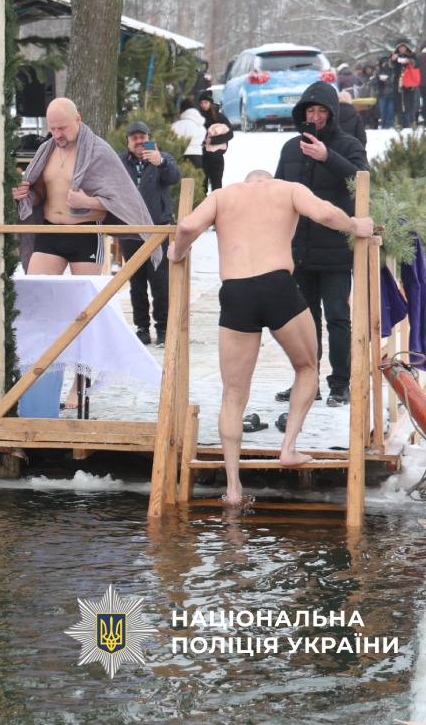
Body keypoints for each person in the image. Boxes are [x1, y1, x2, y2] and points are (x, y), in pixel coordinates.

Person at [167, 169, 374, 507]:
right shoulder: (287, 189)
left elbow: (188, 226)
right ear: (265, 180)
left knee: (233, 393)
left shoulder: (223, 195)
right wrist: (355, 225)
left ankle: (233, 488)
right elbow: (324, 213)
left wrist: (178, 251)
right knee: (307, 367)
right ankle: (289, 448)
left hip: (235, 292)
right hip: (278, 287)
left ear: (246, 181)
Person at [273, 81, 369, 407]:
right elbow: (277, 194)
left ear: (331, 113)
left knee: (338, 317)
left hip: (336, 249)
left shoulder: (349, 144)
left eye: (321, 111)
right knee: (304, 318)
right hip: (298, 249)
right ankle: (307, 382)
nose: (315, 117)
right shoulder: (290, 148)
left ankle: (340, 382)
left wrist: (328, 157)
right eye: (309, 111)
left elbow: (361, 180)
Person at [14, 98, 158, 276]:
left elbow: (120, 198)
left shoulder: (99, 151)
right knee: (37, 292)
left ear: (78, 119)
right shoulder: (46, 150)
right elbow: (40, 194)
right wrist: (25, 194)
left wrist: (87, 202)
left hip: (85, 233)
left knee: (89, 300)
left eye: (62, 128)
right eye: (52, 128)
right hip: (50, 231)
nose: (57, 134)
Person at [119, 122, 181, 346]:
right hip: (129, 230)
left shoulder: (162, 158)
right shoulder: (119, 162)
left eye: (143, 136)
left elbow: (175, 177)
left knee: (160, 281)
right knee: (136, 281)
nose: (139, 141)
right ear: (128, 141)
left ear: (149, 138)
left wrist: (161, 163)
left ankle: (163, 328)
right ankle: (142, 328)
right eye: (134, 137)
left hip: (158, 229)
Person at [197, 90, 233, 192]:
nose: (204, 105)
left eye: (206, 102)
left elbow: (230, 134)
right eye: (201, 103)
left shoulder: (219, 117)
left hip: (216, 156)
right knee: (201, 187)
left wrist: (213, 141)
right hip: (202, 156)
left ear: (211, 103)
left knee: (216, 187)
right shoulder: (198, 118)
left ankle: (217, 207)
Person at [391, 40, 420, 129]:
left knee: (410, 102)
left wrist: (409, 61)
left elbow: (416, 65)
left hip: (409, 82)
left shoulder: (412, 56)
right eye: (400, 48)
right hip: (398, 82)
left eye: (403, 47)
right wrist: (393, 59)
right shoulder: (394, 56)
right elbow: (390, 66)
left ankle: (412, 121)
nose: (402, 49)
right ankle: (398, 122)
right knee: (398, 102)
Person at [171, 98, 206, 170]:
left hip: (182, 156)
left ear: (182, 110)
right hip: (198, 156)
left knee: (183, 180)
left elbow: (171, 139)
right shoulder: (200, 124)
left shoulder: (178, 125)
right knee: (195, 181)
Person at [372, 55, 395, 130]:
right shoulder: (378, 72)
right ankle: (384, 125)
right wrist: (378, 80)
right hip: (382, 94)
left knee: (390, 111)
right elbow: (374, 83)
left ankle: (389, 125)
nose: (384, 64)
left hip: (392, 94)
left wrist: (388, 79)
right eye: (383, 63)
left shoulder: (393, 71)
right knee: (383, 111)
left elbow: (396, 82)